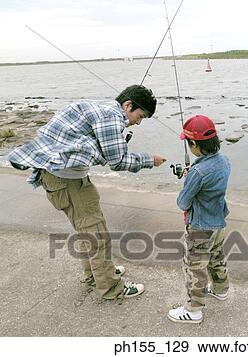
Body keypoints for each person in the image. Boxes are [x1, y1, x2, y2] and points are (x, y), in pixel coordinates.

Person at [7, 84, 166, 301]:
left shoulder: (96, 108)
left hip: (57, 177)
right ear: (128, 105)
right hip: (68, 181)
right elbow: (117, 162)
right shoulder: (112, 117)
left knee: (86, 231)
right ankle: (111, 288)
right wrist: (151, 160)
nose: (138, 122)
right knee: (97, 234)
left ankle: (96, 274)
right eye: (140, 116)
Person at [168, 115, 231, 324]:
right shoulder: (224, 161)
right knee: (216, 257)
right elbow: (209, 182)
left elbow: (183, 203)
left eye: (189, 143)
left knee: (194, 266)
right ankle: (221, 290)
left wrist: (189, 178)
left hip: (200, 227)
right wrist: (192, 175)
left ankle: (194, 310)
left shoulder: (197, 172)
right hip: (219, 222)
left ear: (194, 144)